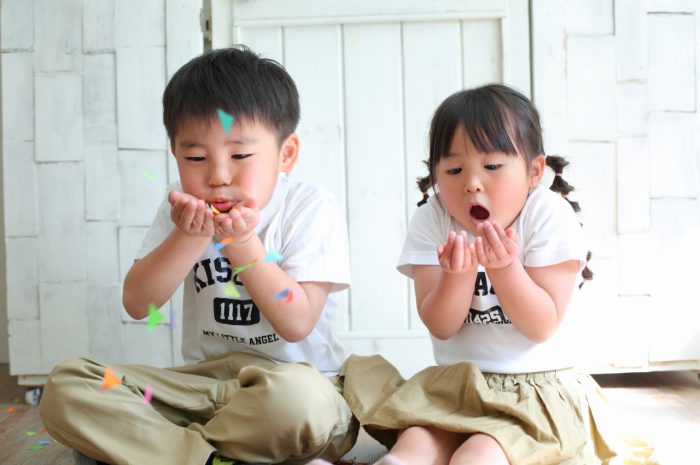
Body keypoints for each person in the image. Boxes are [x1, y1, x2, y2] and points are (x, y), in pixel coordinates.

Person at [39, 46, 358, 465]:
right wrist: (187, 238)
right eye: (195, 158)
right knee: (68, 386)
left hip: (294, 386)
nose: (218, 176)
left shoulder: (309, 205)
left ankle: (166, 450)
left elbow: (297, 322)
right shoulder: (181, 211)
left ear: (286, 155)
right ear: (175, 154)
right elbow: (139, 304)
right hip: (201, 388)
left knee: (303, 403)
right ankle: (210, 456)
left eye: (240, 155)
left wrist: (242, 245)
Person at [311, 84, 654, 465]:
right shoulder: (433, 218)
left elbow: (541, 325)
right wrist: (456, 276)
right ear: (435, 174)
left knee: (479, 452)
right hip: (458, 385)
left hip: (535, 390)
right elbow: (441, 326)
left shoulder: (549, 215)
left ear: (534, 171)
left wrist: (505, 268)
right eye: (454, 170)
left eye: (492, 166)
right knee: (417, 443)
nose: (471, 183)